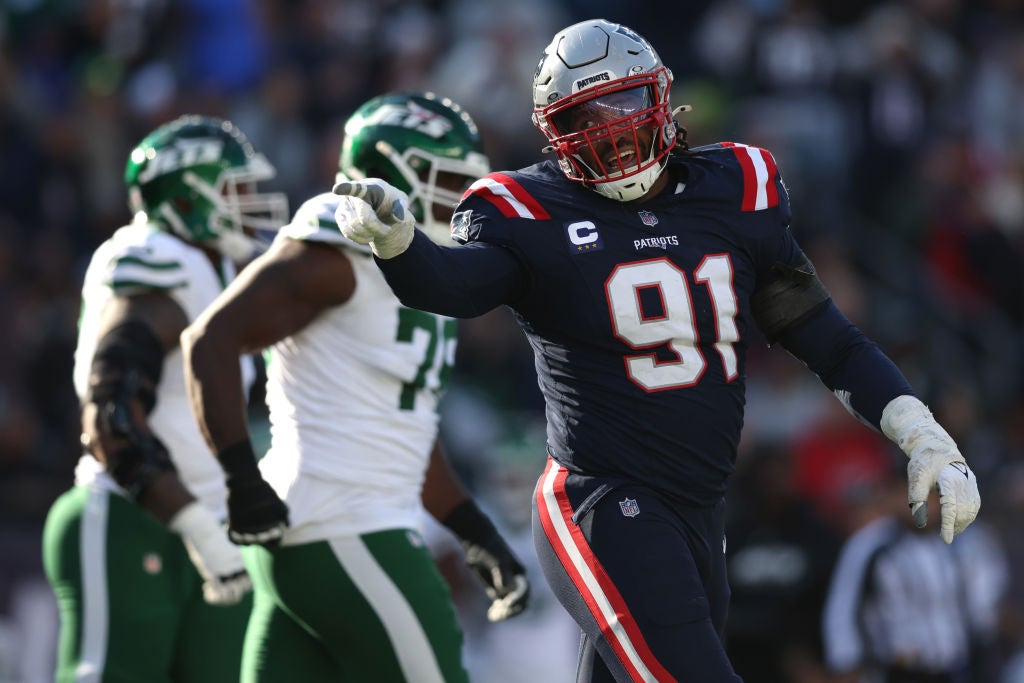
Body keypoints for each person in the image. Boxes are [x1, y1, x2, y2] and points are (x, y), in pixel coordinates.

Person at [331, 18, 983, 683]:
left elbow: (826, 337)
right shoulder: (530, 210)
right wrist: (399, 244)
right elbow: (454, 284)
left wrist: (920, 429)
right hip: (603, 503)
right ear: (552, 128)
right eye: (587, 112)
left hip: (701, 509)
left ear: (663, 97)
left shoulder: (733, 190)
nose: (612, 126)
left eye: (626, 101)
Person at [180, 92, 530, 683]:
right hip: (352, 529)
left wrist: (474, 531)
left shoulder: (427, 271)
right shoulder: (338, 244)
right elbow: (209, 341)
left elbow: (403, 424)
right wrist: (240, 479)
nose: (459, 199)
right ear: (392, 175)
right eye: (446, 182)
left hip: (316, 541)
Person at [42, 114, 289, 682]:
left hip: (212, 530)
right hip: (133, 520)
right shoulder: (154, 259)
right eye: (234, 188)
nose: (249, 201)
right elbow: (110, 415)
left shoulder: (219, 265)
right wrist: (198, 529)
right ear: (188, 195)